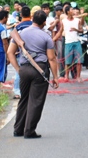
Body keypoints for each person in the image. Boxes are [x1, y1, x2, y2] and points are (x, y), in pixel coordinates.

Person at [8, 10, 59, 139]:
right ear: (44, 22)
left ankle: (18, 129)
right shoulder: (46, 36)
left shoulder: (20, 33)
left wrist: (18, 69)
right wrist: (55, 77)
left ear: (32, 19)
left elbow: (10, 53)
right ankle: (29, 131)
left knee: (24, 99)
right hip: (40, 69)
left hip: (24, 69)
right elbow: (51, 59)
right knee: (36, 101)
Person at [53, 5, 84, 82]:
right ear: (68, 12)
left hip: (76, 42)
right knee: (68, 61)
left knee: (79, 60)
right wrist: (53, 39)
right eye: (71, 9)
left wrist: (76, 29)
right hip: (68, 42)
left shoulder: (77, 20)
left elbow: (81, 30)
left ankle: (78, 76)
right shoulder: (64, 21)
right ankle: (66, 76)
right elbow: (60, 32)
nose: (73, 11)